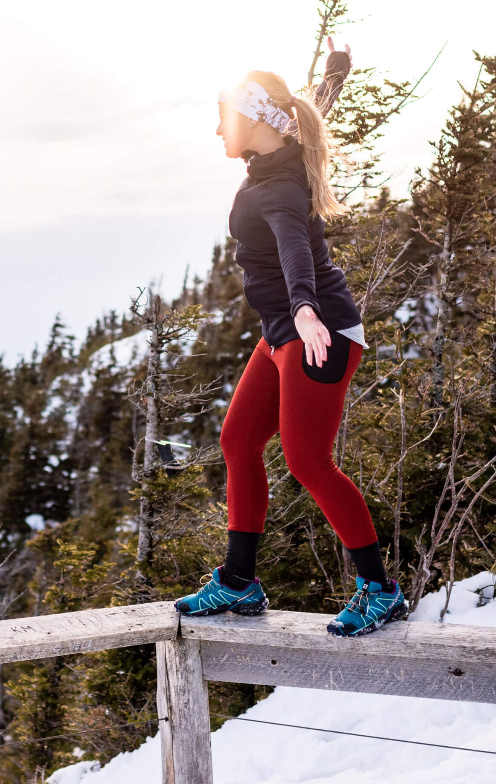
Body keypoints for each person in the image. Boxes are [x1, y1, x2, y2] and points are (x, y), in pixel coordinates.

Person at [174, 38, 409, 636]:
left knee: (308, 462)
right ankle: (240, 582)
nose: (216, 128)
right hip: (285, 331)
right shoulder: (282, 152)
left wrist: (305, 309)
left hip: (317, 331)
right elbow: (311, 111)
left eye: (224, 115)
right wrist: (336, 74)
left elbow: (294, 249)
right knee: (238, 441)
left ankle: (380, 590)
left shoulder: (278, 189)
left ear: (254, 119)